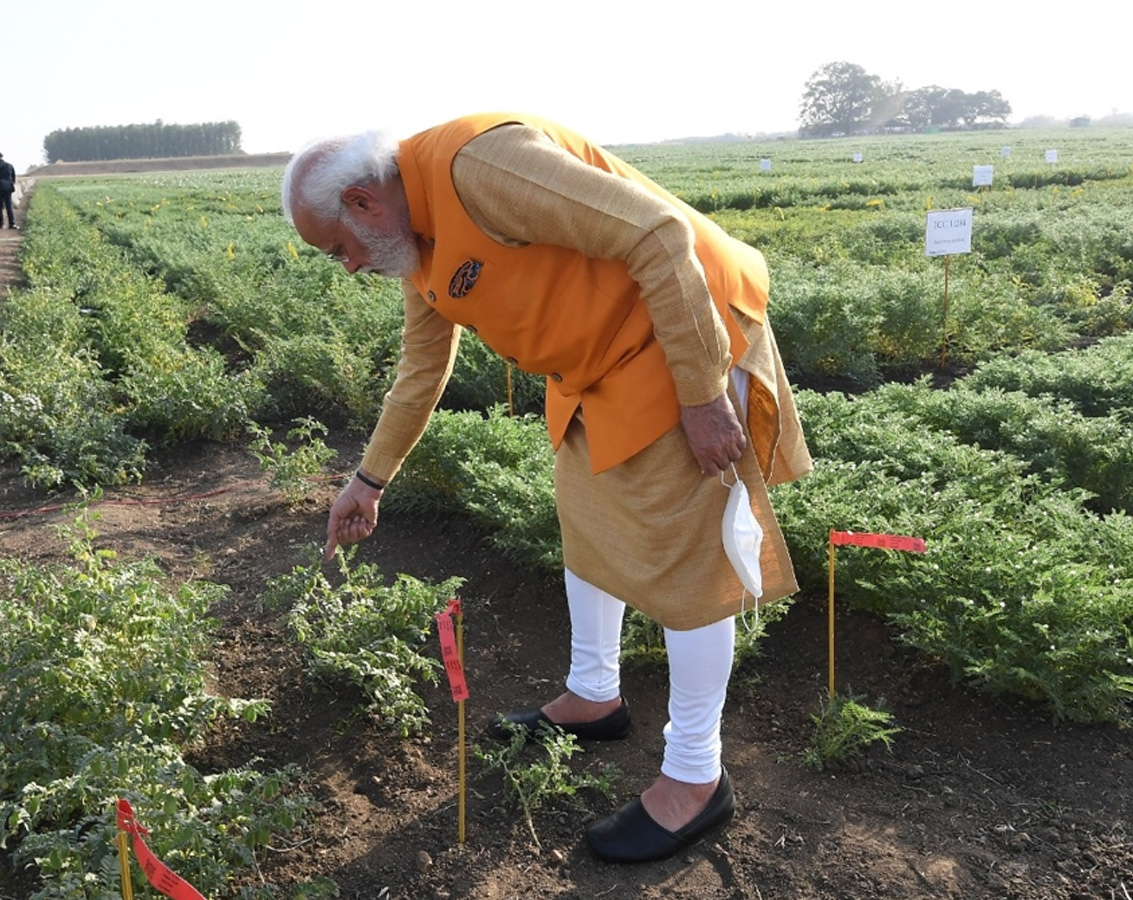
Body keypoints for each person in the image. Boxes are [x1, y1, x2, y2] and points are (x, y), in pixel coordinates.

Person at [281, 113, 812, 864]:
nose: (348, 266)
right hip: (594, 367)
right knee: (586, 527)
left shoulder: (484, 167)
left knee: (690, 566)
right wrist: (368, 480)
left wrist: (700, 396)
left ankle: (697, 775)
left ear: (366, 202)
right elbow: (422, 369)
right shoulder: (416, 246)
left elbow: (659, 233)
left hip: (679, 335)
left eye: (338, 248)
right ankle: (594, 695)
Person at [0, 152, 16, 229]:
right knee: (9, 206)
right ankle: (12, 224)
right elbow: (13, 178)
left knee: (0, 206)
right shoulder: (9, 165)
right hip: (8, 187)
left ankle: (1, 224)